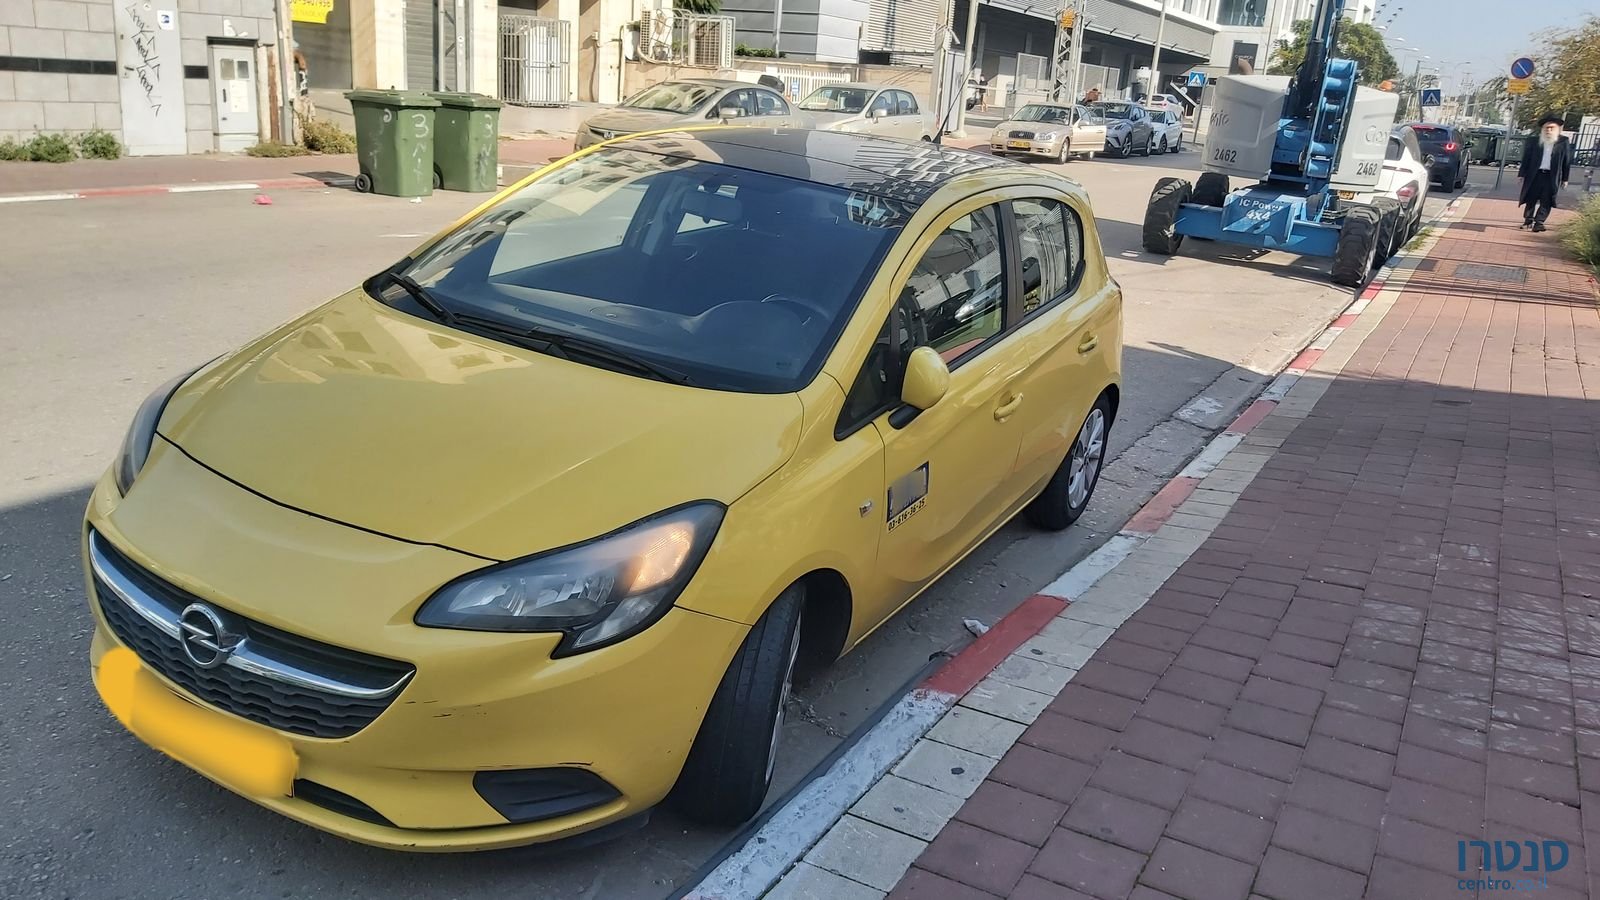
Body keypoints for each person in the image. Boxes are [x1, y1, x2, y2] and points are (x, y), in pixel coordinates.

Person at [1518, 114, 1571, 232]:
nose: (1549, 130)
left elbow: (1566, 162)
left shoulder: (1563, 142)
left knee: (1547, 199)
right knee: (1530, 198)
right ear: (1542, 129)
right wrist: (1521, 174)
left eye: (1552, 128)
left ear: (1557, 129)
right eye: (1546, 128)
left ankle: (1539, 222)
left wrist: (1565, 179)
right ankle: (1528, 220)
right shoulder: (1534, 141)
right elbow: (1526, 158)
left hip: (1551, 176)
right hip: (1535, 175)